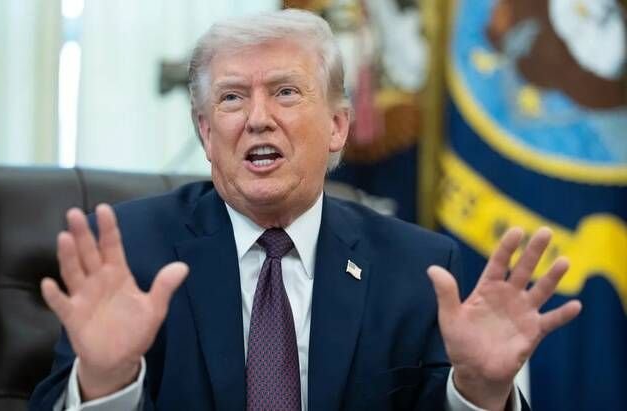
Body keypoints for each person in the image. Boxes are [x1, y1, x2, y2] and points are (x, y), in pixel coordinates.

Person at [29, 9, 581, 411]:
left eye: (285, 92)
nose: (258, 119)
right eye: (231, 97)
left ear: (338, 126)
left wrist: (479, 392)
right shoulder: (128, 253)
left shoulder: (418, 268)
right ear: (206, 133)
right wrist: (106, 383)